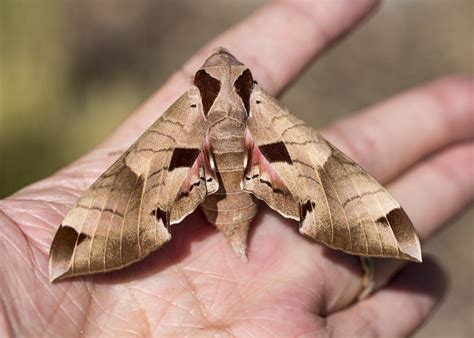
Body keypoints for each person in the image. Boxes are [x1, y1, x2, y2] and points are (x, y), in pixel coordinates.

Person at [0, 1, 472, 336]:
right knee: (326, 162)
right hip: (251, 194)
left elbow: (137, 165)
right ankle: (381, 233)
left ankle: (383, 234)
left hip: (201, 191)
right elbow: (322, 165)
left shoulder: (181, 114)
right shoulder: (266, 111)